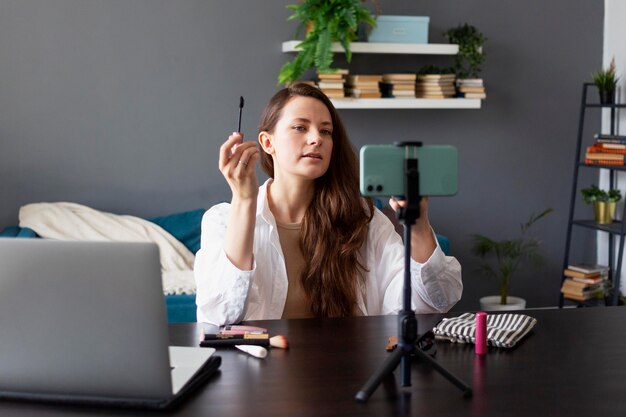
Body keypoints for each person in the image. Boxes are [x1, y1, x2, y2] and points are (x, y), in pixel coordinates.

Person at [194, 83, 462, 325]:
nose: (316, 139)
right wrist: (244, 200)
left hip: (347, 369)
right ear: (267, 142)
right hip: (260, 372)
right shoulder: (223, 220)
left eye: (326, 131)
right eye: (300, 127)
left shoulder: (361, 217)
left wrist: (419, 223)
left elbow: (432, 303)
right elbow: (221, 315)